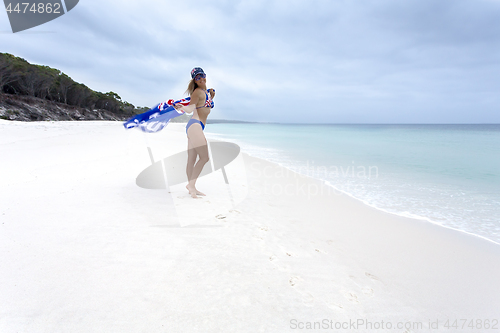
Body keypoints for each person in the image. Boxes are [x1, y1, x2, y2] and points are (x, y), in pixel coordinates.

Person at [174, 67, 215, 198]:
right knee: (205, 158)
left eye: (202, 75)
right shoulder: (197, 92)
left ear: (205, 76)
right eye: (197, 77)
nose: (200, 78)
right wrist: (182, 107)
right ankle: (191, 185)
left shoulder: (207, 93)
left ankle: (191, 186)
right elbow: (191, 108)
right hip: (195, 125)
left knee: (192, 159)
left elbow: (206, 104)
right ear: (195, 81)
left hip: (197, 126)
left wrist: (212, 95)